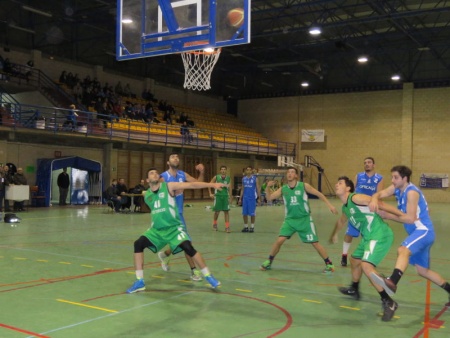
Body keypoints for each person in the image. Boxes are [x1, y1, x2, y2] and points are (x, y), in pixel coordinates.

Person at [126, 167, 226, 293]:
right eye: (152, 173)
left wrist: (212, 184)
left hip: (174, 228)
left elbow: (192, 184)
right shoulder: (147, 196)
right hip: (156, 231)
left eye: (157, 172)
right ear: (147, 180)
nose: (155, 174)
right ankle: (139, 281)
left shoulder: (169, 186)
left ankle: (209, 276)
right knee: (138, 244)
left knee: (188, 247)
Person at [331, 176, 411, 321]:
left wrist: (402, 215)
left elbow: (379, 203)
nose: (336, 184)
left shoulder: (356, 198)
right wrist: (334, 234)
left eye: (340, 183)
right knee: (354, 260)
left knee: (366, 266)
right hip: (368, 236)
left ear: (348, 188)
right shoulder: (345, 207)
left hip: (379, 235)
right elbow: (342, 220)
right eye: (337, 182)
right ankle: (354, 289)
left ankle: (388, 301)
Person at [368, 165, 450, 307]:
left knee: (403, 250)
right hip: (417, 233)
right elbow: (380, 193)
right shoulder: (397, 188)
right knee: (422, 270)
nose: (392, 180)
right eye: (392, 177)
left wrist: (388, 215)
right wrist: (374, 199)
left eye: (396, 177)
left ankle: (393, 281)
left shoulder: (411, 193)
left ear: (404, 178)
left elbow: (410, 219)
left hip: (423, 231)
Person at [260, 167, 337, 273]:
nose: (290, 174)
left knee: (315, 243)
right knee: (279, 241)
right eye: (288, 172)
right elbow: (269, 198)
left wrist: (330, 205)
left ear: (296, 175)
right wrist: (267, 188)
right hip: (290, 220)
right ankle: (269, 261)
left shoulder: (303, 186)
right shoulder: (283, 189)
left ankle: (329, 264)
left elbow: (319, 194)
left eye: (292, 172)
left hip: (304, 219)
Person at [157, 153, 205, 281]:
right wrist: (170, 192)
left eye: (177, 157)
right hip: (169, 216)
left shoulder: (183, 175)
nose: (176, 158)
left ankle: (165, 254)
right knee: (186, 242)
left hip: (179, 215)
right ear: (168, 162)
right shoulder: (163, 177)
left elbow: (198, 183)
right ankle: (194, 271)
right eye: (172, 157)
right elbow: (155, 193)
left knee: (181, 242)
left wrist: (202, 172)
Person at [338, 157, 383, 267]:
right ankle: (344, 255)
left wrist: (378, 208)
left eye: (369, 162)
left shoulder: (379, 178)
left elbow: (379, 194)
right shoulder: (358, 176)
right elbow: (351, 191)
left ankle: (365, 257)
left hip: (369, 210)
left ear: (374, 165)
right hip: (356, 210)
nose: (367, 164)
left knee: (366, 235)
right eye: (365, 163)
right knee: (349, 233)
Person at [208, 165, 232, 233]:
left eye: (224, 169)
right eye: (222, 169)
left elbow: (230, 188)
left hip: (225, 196)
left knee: (226, 212)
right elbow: (209, 185)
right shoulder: (216, 177)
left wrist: (230, 197)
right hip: (218, 196)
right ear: (220, 170)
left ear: (226, 170)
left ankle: (227, 227)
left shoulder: (228, 178)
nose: (223, 170)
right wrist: (210, 193)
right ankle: (215, 224)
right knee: (217, 212)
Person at [239, 166, 260, 232]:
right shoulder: (243, 179)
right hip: (245, 198)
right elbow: (242, 189)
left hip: (252, 198)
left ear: (252, 171)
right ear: (245, 171)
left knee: (252, 213)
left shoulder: (255, 179)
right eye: (247, 170)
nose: (248, 171)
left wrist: (259, 198)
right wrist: (240, 198)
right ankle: (246, 227)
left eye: (249, 170)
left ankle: (252, 227)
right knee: (244, 213)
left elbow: (257, 188)